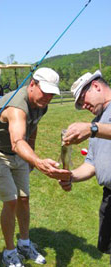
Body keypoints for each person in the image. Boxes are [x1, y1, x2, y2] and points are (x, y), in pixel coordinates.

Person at [0, 67, 71, 267]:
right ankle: (9, 253)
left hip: (19, 156)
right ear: (32, 84)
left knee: (24, 199)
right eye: (45, 92)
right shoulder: (18, 105)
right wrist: (37, 161)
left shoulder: (42, 103)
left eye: (52, 93)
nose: (48, 97)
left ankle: (24, 244)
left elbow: (33, 127)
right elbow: (17, 141)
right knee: (11, 201)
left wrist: (31, 152)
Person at [59, 70, 111, 260]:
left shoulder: (94, 127)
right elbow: (91, 164)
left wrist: (92, 129)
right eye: (80, 104)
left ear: (96, 86)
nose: (83, 106)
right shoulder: (96, 122)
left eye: (83, 98)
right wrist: (70, 176)